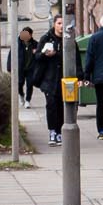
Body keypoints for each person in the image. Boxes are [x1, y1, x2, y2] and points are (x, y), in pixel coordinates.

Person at [30, 16, 67, 145]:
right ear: (54, 25)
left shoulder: (68, 39)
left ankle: (60, 132)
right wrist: (45, 54)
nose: (61, 26)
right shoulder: (46, 38)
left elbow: (74, 58)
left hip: (63, 79)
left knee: (61, 106)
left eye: (63, 23)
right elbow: (37, 56)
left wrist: (80, 77)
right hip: (49, 79)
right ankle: (52, 131)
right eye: (59, 23)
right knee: (51, 106)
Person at [15, 26, 38, 106]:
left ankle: (28, 100)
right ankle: (21, 94)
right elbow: (11, 55)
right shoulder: (17, 44)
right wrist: (9, 67)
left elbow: (40, 55)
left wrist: (36, 52)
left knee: (30, 84)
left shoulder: (35, 44)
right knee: (19, 83)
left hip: (31, 68)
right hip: (20, 68)